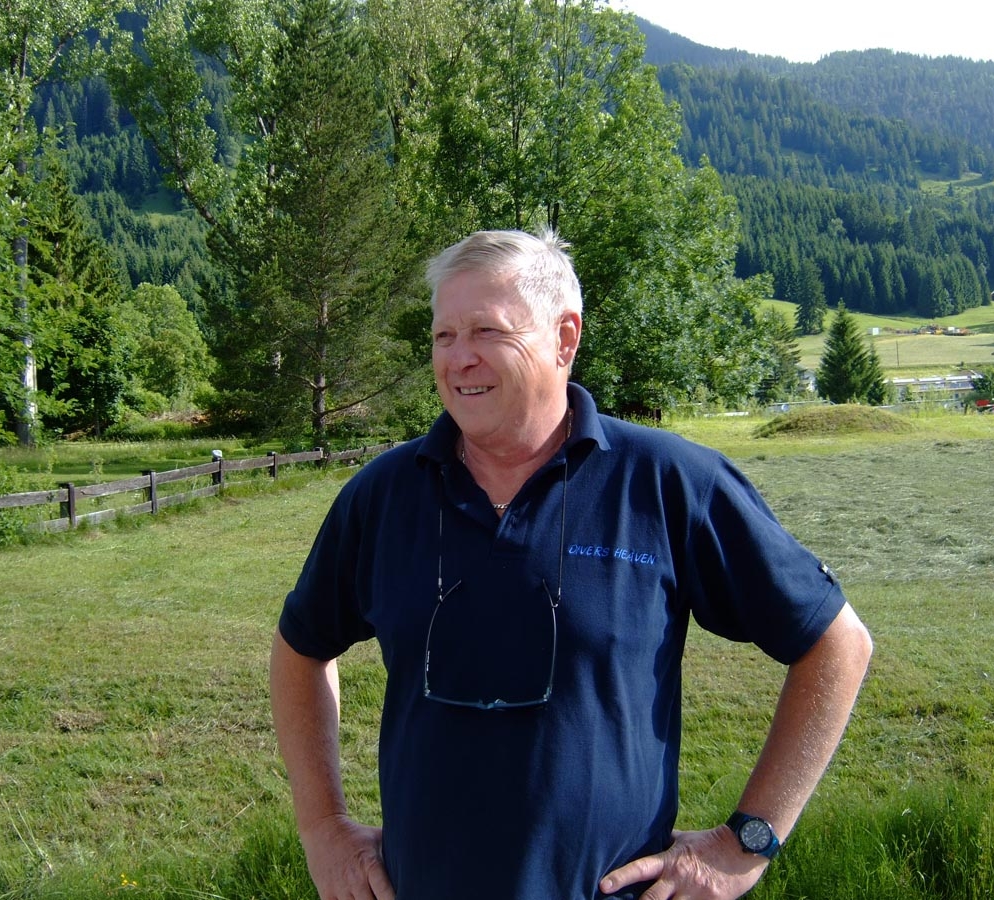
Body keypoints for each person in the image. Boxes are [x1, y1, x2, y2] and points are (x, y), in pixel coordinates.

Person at [269, 228, 873, 900]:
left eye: (487, 331)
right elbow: (300, 649)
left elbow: (836, 644)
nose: (459, 358)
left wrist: (745, 844)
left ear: (564, 338)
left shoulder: (668, 484)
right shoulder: (383, 496)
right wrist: (322, 828)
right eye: (443, 336)